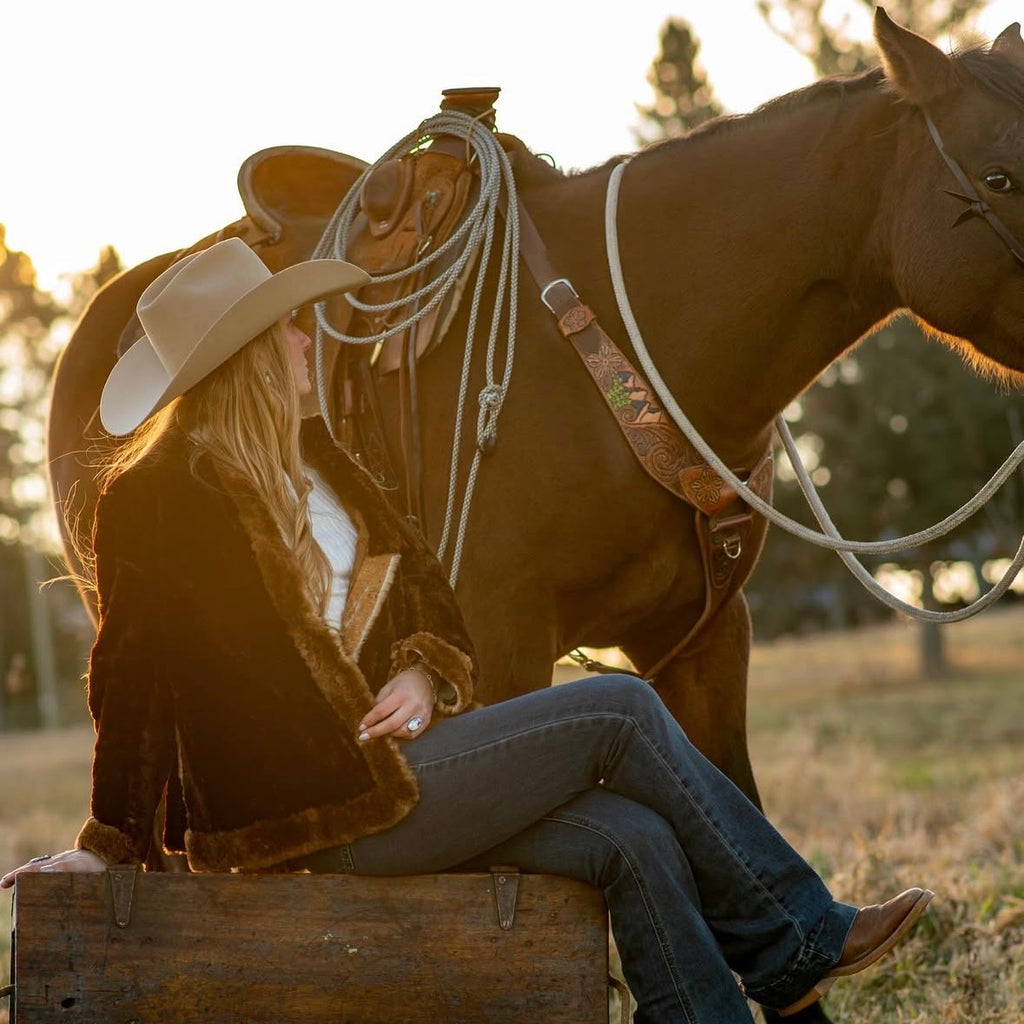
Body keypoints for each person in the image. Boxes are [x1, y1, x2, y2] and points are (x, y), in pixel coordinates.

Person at [2, 238, 933, 1022]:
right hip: (307, 813)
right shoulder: (155, 501)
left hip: (412, 762)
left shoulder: (325, 458)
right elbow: (128, 675)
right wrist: (107, 841)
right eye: (283, 327)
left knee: (632, 838)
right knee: (622, 707)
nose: (302, 339)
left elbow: (427, 596)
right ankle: (793, 935)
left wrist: (422, 672)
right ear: (242, 355)